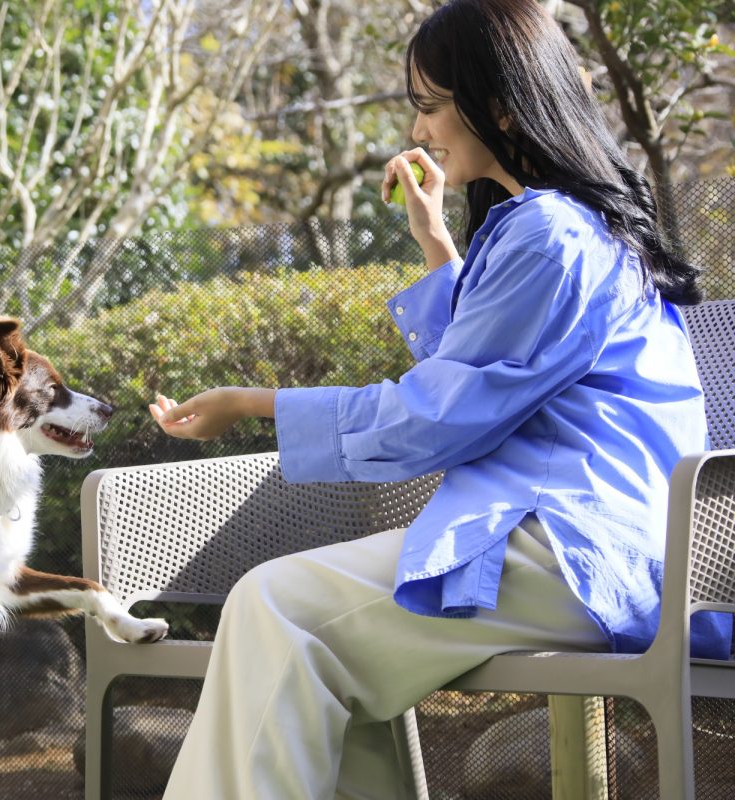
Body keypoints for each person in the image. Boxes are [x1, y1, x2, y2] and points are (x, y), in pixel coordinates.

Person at [146, 0, 732, 797]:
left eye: (429, 106)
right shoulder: (578, 228)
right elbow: (490, 371)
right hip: (603, 547)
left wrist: (257, 403)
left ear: (498, 103)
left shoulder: (550, 234)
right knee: (327, 665)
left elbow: (437, 416)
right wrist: (437, 246)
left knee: (273, 608)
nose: (418, 131)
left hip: (572, 551)